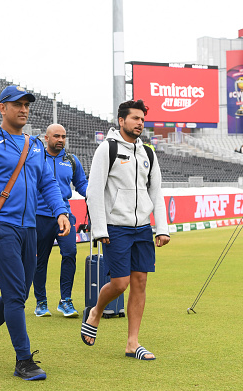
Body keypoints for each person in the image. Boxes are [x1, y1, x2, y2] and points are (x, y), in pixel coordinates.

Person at [0, 85, 71, 381]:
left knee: (17, 292)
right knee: (16, 296)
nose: (23, 109)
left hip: (30, 228)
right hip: (1, 228)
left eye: (26, 104)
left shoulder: (33, 145)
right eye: (16, 104)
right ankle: (24, 361)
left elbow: (47, 184)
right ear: (1, 108)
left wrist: (61, 211)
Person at [83, 99, 170, 361]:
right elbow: (93, 191)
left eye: (142, 119)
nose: (140, 123)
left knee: (140, 283)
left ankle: (133, 343)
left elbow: (156, 192)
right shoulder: (106, 149)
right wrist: (99, 229)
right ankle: (96, 311)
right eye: (135, 118)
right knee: (120, 284)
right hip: (115, 228)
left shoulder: (148, 153)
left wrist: (161, 228)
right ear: (121, 121)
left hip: (142, 228)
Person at [33, 124, 88, 318]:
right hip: (39, 216)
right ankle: (40, 302)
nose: (61, 140)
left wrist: (94, 195)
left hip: (64, 215)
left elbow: (81, 183)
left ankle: (65, 301)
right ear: (46, 138)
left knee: (70, 253)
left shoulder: (72, 160)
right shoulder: (36, 158)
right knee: (40, 260)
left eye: (64, 136)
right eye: (56, 136)